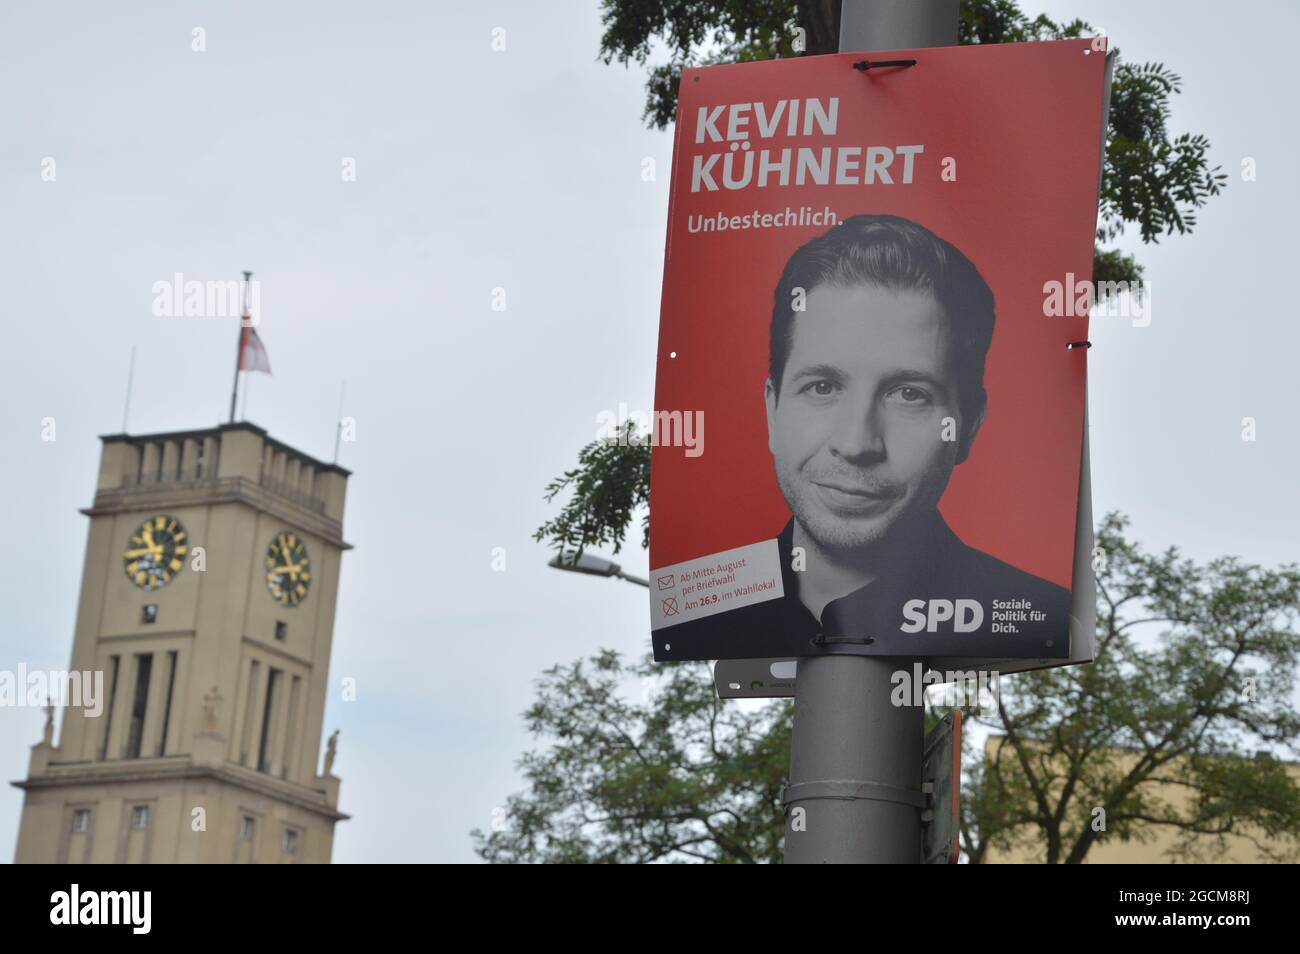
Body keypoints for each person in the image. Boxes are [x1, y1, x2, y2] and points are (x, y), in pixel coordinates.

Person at [657, 214, 1071, 660]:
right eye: (822, 387)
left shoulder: (1040, 615)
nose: (856, 444)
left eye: (909, 394)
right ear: (772, 409)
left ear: (967, 426)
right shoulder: (695, 607)